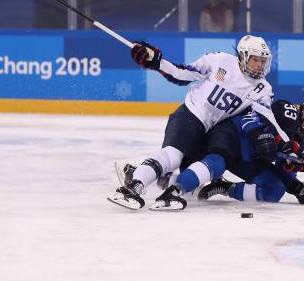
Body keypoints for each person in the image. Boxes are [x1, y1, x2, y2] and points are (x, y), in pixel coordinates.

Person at [108, 34, 275, 210]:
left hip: (208, 132)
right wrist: (157, 62)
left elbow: (262, 117)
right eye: (255, 59)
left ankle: (137, 173)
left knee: (192, 190)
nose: (259, 65)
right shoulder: (219, 60)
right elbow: (182, 73)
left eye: (262, 61)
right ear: (243, 56)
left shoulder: (263, 89)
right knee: (172, 156)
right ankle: (132, 187)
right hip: (189, 115)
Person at [193, 97, 304, 208]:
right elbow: (253, 120)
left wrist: (298, 188)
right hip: (231, 141)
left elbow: (282, 170)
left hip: (247, 160)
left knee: (274, 191)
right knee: (203, 168)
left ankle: (224, 187)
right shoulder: (288, 111)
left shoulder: (300, 142)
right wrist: (291, 150)